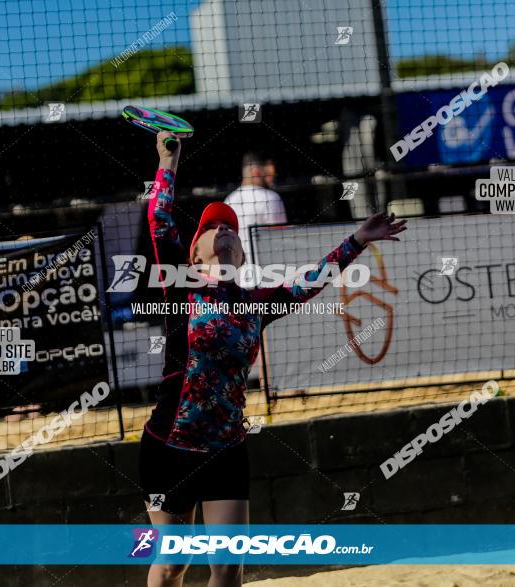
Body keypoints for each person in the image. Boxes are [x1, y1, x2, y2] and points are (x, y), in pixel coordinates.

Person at [139, 131, 407, 587]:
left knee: (227, 569)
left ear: (242, 254)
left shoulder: (256, 303)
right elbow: (159, 218)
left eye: (230, 228)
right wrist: (169, 163)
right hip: (170, 447)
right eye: (211, 228)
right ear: (194, 253)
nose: (223, 229)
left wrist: (359, 238)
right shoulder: (179, 288)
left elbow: (312, 280)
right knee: (171, 567)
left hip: (226, 449)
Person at [223, 152, 287, 264]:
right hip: (267, 272)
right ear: (256, 172)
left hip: (237, 275)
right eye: (266, 173)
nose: (271, 178)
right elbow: (281, 241)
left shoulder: (228, 200)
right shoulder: (270, 198)